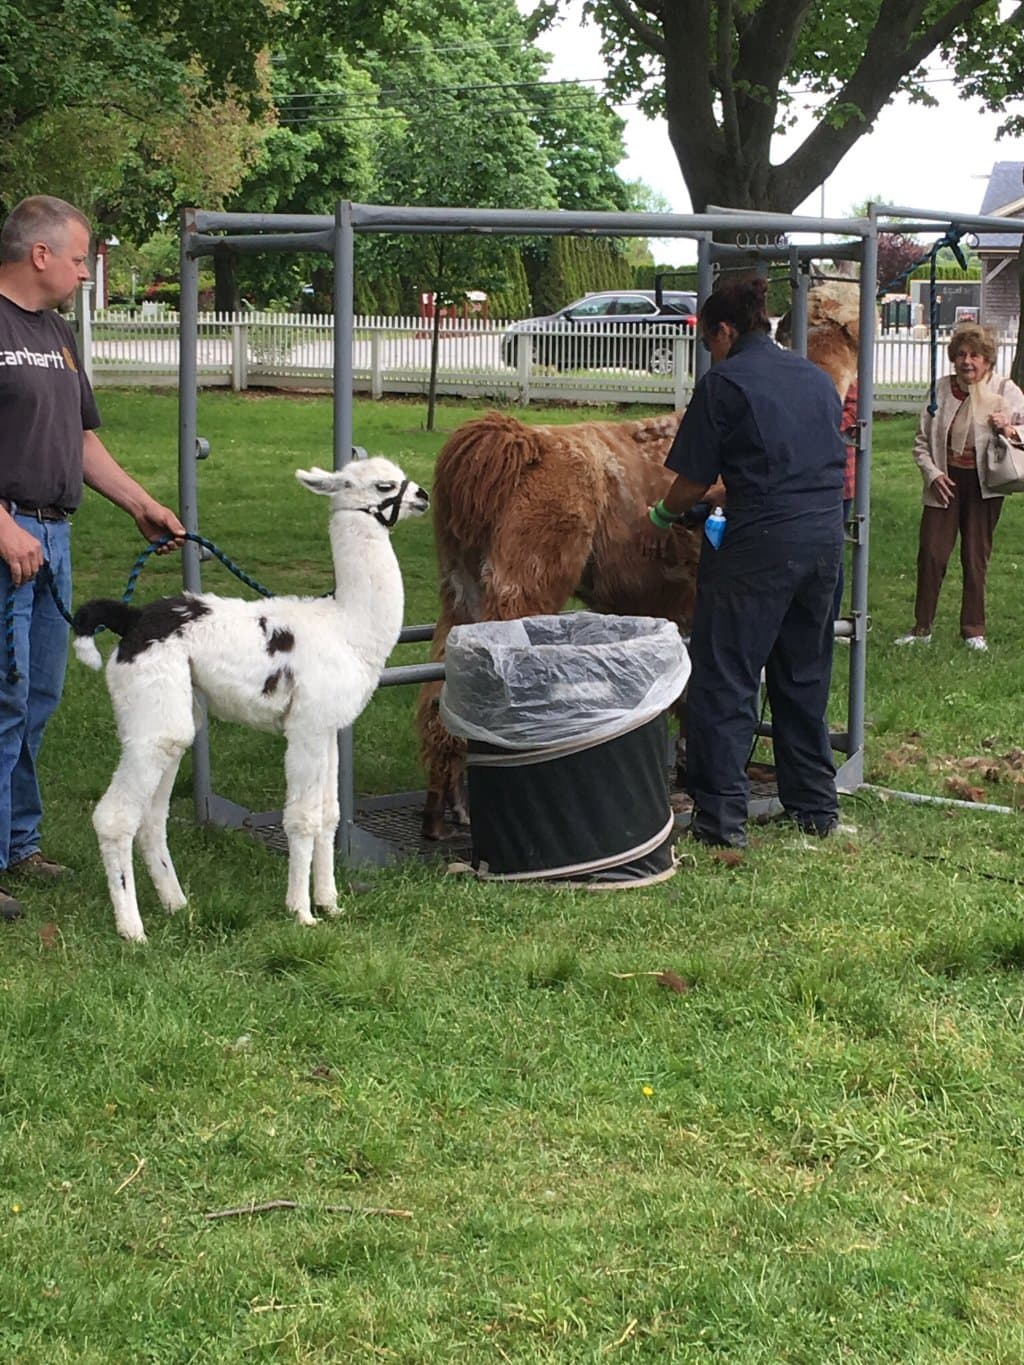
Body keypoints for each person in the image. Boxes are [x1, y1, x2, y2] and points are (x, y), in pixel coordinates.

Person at [0, 195, 186, 921]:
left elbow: (80, 442)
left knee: (37, 696)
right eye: (79, 258)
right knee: (2, 697)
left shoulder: (55, 334)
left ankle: (19, 842)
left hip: (53, 537)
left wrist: (138, 502)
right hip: (9, 536)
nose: (84, 272)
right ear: (40, 254)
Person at [647, 277, 846, 848]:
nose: (711, 351)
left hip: (759, 544)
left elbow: (690, 482)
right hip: (823, 540)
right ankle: (814, 807)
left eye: (709, 340)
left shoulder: (725, 383)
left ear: (726, 330)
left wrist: (662, 516)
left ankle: (721, 820)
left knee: (726, 677)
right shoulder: (814, 378)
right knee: (802, 674)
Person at [894, 324, 1024, 653]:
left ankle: (973, 631)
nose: (967, 361)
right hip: (945, 483)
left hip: (985, 485)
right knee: (932, 554)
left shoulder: (1005, 390)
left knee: (975, 557)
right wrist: (933, 474)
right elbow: (921, 442)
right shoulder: (940, 390)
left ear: (987, 360)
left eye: (975, 355)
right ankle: (922, 628)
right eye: (962, 355)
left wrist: (1007, 427)